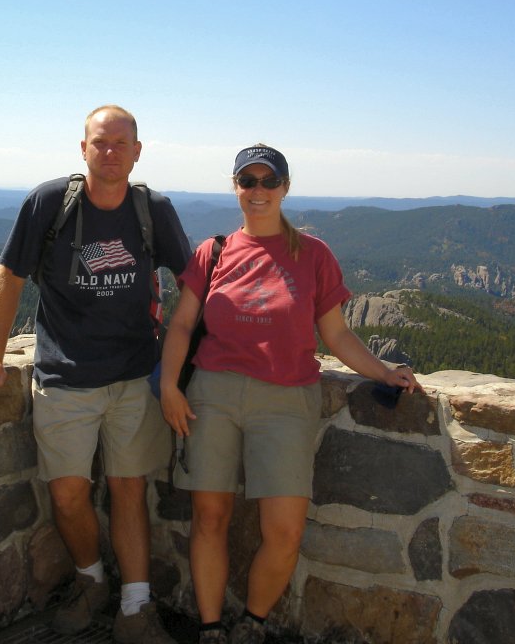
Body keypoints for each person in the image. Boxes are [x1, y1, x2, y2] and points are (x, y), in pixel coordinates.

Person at [159, 144, 424, 644]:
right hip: (212, 393)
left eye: (268, 181)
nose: (257, 191)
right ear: (235, 187)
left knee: (284, 530)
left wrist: (384, 371)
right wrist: (170, 387)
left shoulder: (313, 254)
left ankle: (254, 623)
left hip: (286, 400)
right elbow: (181, 325)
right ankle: (212, 628)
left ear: (284, 187)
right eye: (247, 181)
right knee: (209, 517)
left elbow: (337, 335)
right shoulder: (213, 252)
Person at [0, 105, 191, 644]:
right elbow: (9, 276)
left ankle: (136, 606)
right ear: (81, 149)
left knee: (129, 490)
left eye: (120, 144)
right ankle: (90, 582)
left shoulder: (152, 208)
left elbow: (192, 284)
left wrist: (183, 366)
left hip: (135, 376)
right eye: (99, 143)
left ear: (137, 151)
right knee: (67, 494)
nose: (109, 153)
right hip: (64, 376)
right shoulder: (48, 204)